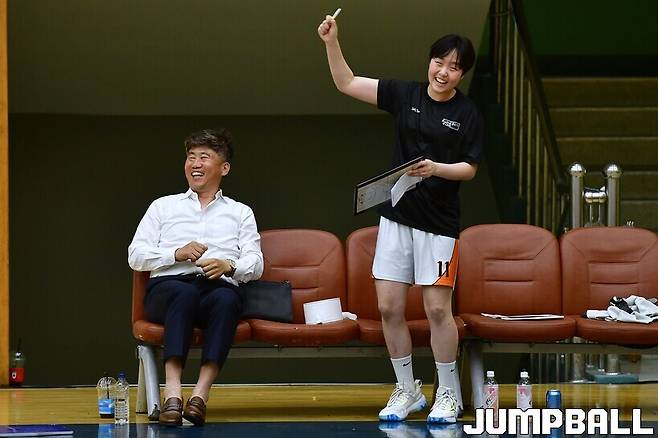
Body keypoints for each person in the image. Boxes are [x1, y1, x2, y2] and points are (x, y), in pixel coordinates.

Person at [318, 15, 484, 424]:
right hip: (396, 217)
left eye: (454, 67)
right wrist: (331, 42)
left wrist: (436, 168)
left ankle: (448, 393)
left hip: (439, 225)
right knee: (389, 306)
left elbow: (469, 168)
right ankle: (407, 390)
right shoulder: (404, 93)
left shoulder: (467, 113)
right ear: (429, 61)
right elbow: (346, 82)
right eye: (438, 62)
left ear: (462, 74)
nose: (443, 72)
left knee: (437, 310)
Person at [128, 128, 264, 426]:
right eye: (191, 157)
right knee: (184, 293)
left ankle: (200, 395)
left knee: (227, 300)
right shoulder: (163, 206)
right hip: (168, 290)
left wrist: (229, 266)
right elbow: (135, 255)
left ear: (224, 168)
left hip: (216, 288)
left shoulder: (240, 212)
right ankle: (173, 393)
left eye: (204, 157)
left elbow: (256, 263)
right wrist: (176, 253)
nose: (195, 164)